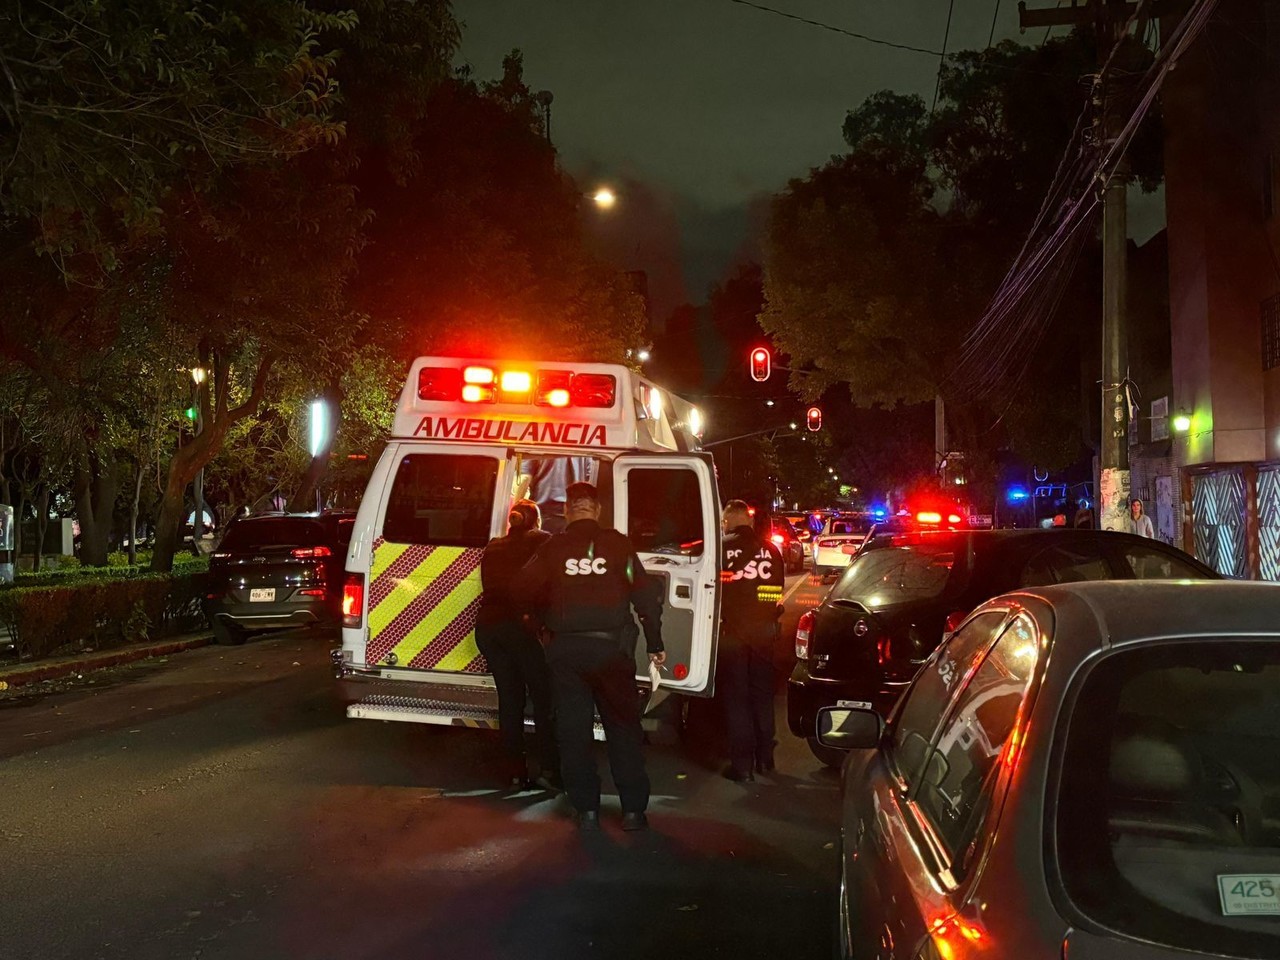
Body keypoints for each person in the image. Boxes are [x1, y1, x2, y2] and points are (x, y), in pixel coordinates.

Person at [516, 482, 664, 831]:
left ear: (568, 510)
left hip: (566, 652)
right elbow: (644, 598)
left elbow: (520, 589)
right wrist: (655, 643)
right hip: (612, 651)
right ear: (596, 510)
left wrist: (539, 628)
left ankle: (587, 811)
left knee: (573, 731)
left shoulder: (554, 548)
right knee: (623, 729)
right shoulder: (618, 545)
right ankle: (632, 811)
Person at [476, 500, 557, 790]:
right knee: (544, 700)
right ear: (535, 521)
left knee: (510, 702)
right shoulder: (543, 541)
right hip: (521, 629)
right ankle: (549, 768)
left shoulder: (494, 545)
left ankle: (514, 772)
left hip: (489, 629)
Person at [717, 501, 786, 782]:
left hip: (733, 633)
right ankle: (765, 758)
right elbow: (776, 591)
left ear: (728, 521)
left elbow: (716, 590)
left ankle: (742, 766)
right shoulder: (770, 550)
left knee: (737, 698)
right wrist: (764, 612)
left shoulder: (723, 549)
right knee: (761, 694)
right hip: (764, 632)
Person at [516, 456, 595, 535]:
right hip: (573, 514)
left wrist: (515, 511)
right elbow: (590, 475)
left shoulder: (536, 444)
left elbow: (525, 478)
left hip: (543, 515)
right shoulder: (586, 446)